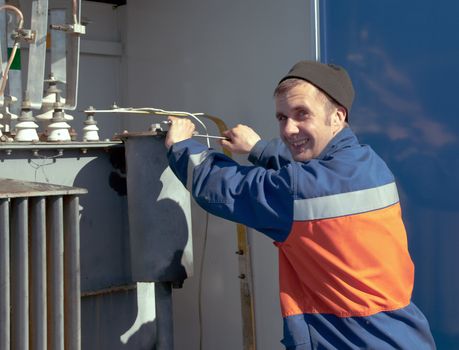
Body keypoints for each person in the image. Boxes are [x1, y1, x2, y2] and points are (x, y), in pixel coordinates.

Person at [165, 60, 436, 349]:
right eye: (282, 117)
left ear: (337, 116)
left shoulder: (301, 191)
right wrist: (259, 149)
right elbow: (312, 181)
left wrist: (181, 147)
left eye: (302, 114)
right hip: (402, 337)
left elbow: (223, 187)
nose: (289, 129)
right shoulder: (368, 164)